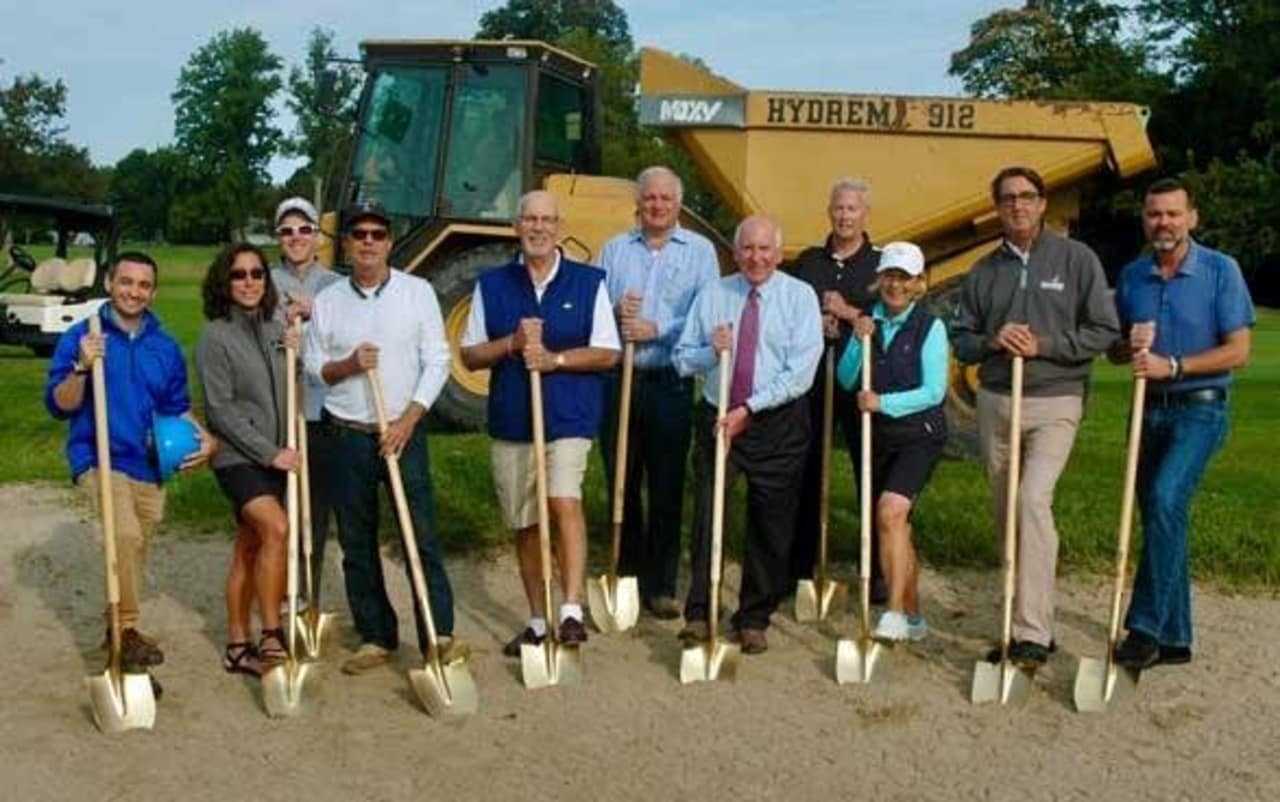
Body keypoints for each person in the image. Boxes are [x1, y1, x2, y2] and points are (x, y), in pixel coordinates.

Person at [950, 166, 1119, 667]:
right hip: (998, 399)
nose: (1018, 206)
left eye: (1027, 197)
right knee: (1007, 514)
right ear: (997, 207)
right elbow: (961, 337)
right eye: (1008, 199)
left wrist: (1045, 345)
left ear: (1043, 203)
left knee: (1032, 500)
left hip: (1056, 400)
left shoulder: (1076, 259)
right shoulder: (983, 271)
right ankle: (1017, 612)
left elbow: (1103, 330)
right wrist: (991, 341)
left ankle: (1033, 632)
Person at [303, 200, 463, 675]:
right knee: (356, 539)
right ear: (348, 244)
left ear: (390, 242)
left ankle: (440, 632)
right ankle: (376, 635)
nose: (368, 241)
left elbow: (438, 360)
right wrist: (348, 365)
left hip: (402, 431)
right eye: (359, 235)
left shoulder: (418, 293)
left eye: (377, 233)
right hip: (346, 433)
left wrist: (410, 418)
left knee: (420, 535)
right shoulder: (329, 302)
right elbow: (314, 370)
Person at [459, 190, 621, 655]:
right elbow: (470, 355)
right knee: (526, 523)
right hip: (513, 421)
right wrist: (511, 343)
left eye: (547, 219)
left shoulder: (589, 282)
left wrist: (556, 359)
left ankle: (570, 610)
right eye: (530, 219)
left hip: (569, 416)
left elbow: (607, 352)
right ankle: (536, 617)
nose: (538, 227)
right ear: (517, 226)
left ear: (558, 226)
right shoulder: (492, 284)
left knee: (563, 500)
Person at [44, 250, 215, 681]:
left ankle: (115, 636)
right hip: (99, 456)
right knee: (124, 534)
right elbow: (60, 406)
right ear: (109, 283)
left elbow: (176, 408)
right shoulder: (83, 336)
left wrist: (207, 439)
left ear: (153, 292)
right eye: (126, 282)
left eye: (142, 285)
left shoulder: (166, 347)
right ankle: (128, 630)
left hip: (150, 464)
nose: (133, 291)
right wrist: (82, 367)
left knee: (135, 549)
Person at [1109, 178, 1254, 669]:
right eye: (1154, 214)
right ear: (1144, 219)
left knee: (1167, 497)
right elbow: (1113, 350)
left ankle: (1144, 630)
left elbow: (1239, 351)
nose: (1163, 223)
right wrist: (1128, 345)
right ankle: (1177, 637)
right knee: (1162, 517)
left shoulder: (1220, 270)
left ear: (1192, 217)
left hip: (1200, 407)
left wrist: (1173, 366)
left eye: (1173, 214)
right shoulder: (1132, 276)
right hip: (1147, 407)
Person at [673, 215, 823, 654]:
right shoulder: (715, 293)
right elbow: (683, 359)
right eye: (748, 250)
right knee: (708, 514)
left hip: (775, 419)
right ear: (735, 253)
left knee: (771, 522)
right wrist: (710, 351)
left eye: (764, 250)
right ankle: (700, 613)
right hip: (718, 416)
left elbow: (801, 373)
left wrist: (750, 409)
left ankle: (754, 616)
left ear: (778, 253)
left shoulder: (799, 298)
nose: (756, 258)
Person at [597, 166, 719, 619]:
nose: (657, 205)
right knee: (622, 480)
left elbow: (705, 316)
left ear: (678, 203)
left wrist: (656, 328)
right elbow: (592, 314)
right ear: (639, 203)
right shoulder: (614, 249)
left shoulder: (701, 253)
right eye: (650, 198)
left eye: (666, 198)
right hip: (619, 381)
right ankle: (625, 573)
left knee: (667, 485)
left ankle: (661, 583)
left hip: (669, 381)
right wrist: (613, 310)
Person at [835, 242, 948, 641]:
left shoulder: (930, 327)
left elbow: (934, 391)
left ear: (918, 283)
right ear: (879, 279)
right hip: (879, 438)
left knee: (889, 512)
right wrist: (856, 340)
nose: (895, 285)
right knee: (897, 526)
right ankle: (915, 619)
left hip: (920, 436)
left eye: (904, 278)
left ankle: (895, 612)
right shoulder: (869, 323)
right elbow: (847, 380)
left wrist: (883, 402)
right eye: (889, 276)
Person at [196, 244, 299, 675]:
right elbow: (220, 410)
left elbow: (295, 393)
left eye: (257, 273)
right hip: (239, 457)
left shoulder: (277, 329)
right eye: (239, 275)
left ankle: (237, 644)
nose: (250, 282)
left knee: (249, 546)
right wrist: (268, 453)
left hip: (278, 454)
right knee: (276, 527)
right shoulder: (215, 337)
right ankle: (271, 634)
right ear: (225, 282)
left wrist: (297, 354)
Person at [787, 177, 885, 601]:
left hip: (862, 382)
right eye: (839, 209)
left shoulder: (881, 266)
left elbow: (889, 322)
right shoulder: (809, 261)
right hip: (813, 381)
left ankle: (877, 566)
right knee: (806, 470)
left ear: (865, 214)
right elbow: (788, 310)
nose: (845, 216)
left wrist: (846, 313)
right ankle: (800, 566)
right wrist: (815, 320)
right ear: (830, 212)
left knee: (871, 471)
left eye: (853, 209)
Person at [271, 197, 341, 604]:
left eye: (304, 229)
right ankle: (276, 592)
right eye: (287, 231)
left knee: (314, 507)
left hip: (320, 410)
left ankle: (305, 595)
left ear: (316, 235)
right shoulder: (264, 281)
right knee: (279, 508)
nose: (296, 237)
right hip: (279, 408)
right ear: (278, 238)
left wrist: (317, 311)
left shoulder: (335, 286)